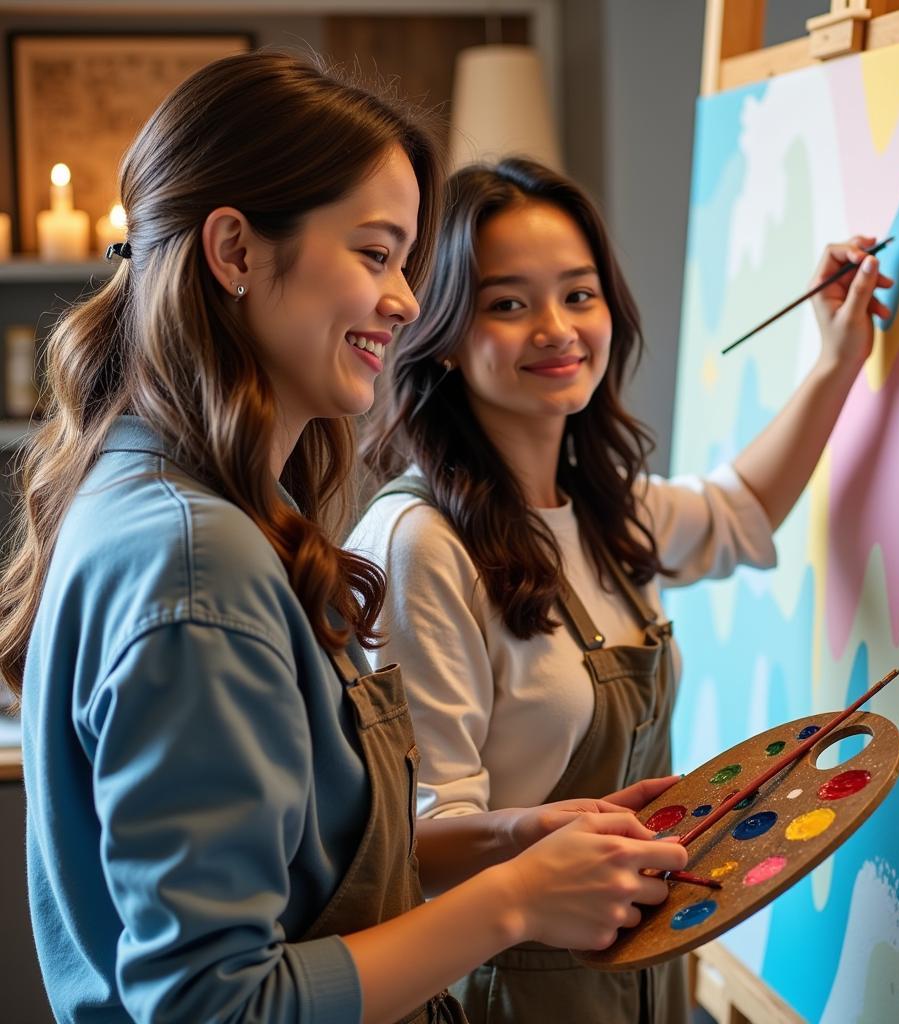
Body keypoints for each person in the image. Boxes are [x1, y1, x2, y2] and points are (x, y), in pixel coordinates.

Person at [0, 56, 691, 1024]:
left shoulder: (153, 499)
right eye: (376, 254)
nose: (408, 300)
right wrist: (518, 899)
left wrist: (506, 840)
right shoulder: (198, 560)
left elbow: (305, 866)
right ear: (234, 251)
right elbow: (215, 1004)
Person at [351, 157, 894, 1022]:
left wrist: (837, 358)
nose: (557, 329)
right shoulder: (421, 543)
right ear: (444, 332)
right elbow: (411, 842)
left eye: (578, 293)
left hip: (644, 973)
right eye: (507, 303)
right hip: (508, 988)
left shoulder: (600, 510)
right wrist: (537, 840)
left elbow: (737, 511)